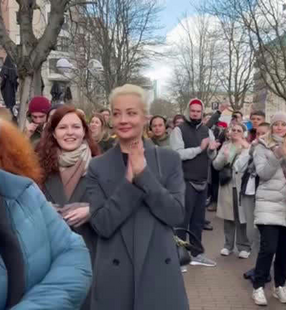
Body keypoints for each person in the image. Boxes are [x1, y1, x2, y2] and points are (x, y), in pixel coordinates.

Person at [86, 84, 189, 310]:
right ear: (110, 119)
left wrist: (143, 175)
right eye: (117, 113)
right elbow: (101, 224)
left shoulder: (168, 159)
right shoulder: (97, 166)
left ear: (145, 118)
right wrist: (128, 183)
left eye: (131, 113)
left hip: (159, 276)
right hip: (114, 280)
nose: (123, 119)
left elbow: (175, 214)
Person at [0, 119, 92, 310]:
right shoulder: (41, 164)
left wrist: (91, 210)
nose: (69, 133)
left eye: (76, 127)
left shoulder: (23, 191)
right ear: (53, 132)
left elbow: (72, 251)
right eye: (63, 127)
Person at [251, 112, 286, 306]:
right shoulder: (260, 146)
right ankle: (258, 287)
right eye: (277, 124)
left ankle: (280, 286)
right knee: (269, 248)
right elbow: (263, 173)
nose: (280, 128)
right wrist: (276, 155)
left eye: (284, 124)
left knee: (284, 250)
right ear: (272, 126)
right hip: (269, 203)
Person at [170, 98, 220, 269]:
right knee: (182, 221)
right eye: (193, 111)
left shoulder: (207, 130)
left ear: (202, 112)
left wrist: (212, 150)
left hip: (202, 181)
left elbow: (211, 157)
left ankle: (197, 253)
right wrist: (200, 148)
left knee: (198, 221)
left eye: (198, 111)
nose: (195, 114)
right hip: (185, 181)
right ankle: (180, 256)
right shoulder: (179, 130)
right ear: (188, 111)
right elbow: (177, 154)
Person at [213, 123, 251, 258]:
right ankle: (228, 245)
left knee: (242, 217)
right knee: (228, 217)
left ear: (243, 133)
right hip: (227, 185)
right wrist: (224, 156)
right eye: (233, 130)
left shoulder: (248, 147)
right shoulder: (225, 146)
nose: (235, 132)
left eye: (238, 130)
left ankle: (244, 246)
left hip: (242, 186)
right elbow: (216, 165)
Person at [238, 122, 270, 282]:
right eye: (257, 134)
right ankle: (258, 267)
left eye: (264, 133)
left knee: (262, 235)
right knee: (251, 233)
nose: (260, 137)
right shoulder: (253, 149)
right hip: (248, 193)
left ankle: (263, 270)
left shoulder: (271, 151)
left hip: (263, 197)